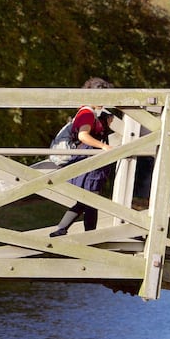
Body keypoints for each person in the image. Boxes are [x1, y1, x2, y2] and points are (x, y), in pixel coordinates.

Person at [49, 77, 115, 237]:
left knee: (88, 199)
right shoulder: (87, 113)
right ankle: (88, 237)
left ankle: (63, 230)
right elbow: (83, 136)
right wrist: (104, 146)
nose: (104, 102)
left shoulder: (89, 112)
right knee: (91, 199)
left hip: (89, 161)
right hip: (87, 161)